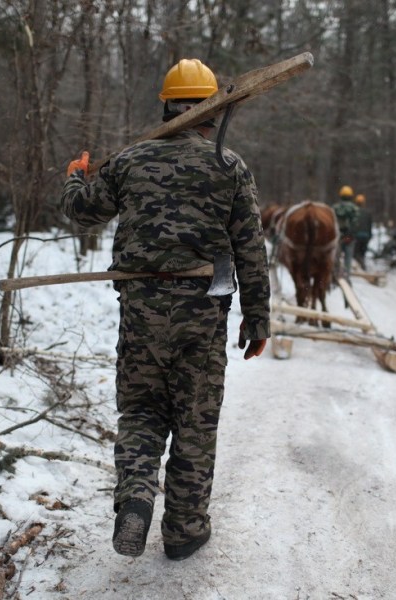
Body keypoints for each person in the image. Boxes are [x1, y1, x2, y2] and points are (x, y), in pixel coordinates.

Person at [60, 58, 271, 561]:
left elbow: (82, 213)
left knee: (141, 410)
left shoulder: (129, 160)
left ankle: (135, 495)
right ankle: (184, 530)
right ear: (214, 109)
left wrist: (74, 177)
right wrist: (257, 317)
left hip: (141, 313)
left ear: (166, 103)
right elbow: (251, 249)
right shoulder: (229, 165)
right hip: (203, 315)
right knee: (195, 421)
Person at [333, 185, 359, 278]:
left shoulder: (335, 207)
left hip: (337, 236)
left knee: (335, 256)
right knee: (348, 258)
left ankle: (335, 274)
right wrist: (350, 235)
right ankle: (346, 276)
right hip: (349, 237)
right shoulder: (354, 208)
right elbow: (356, 224)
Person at [351, 193, 373, 270]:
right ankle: (361, 265)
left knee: (355, 253)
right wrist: (370, 235)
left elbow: (352, 224)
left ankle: (359, 266)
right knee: (362, 253)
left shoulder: (354, 212)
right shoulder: (368, 213)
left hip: (357, 236)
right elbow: (370, 225)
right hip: (365, 236)